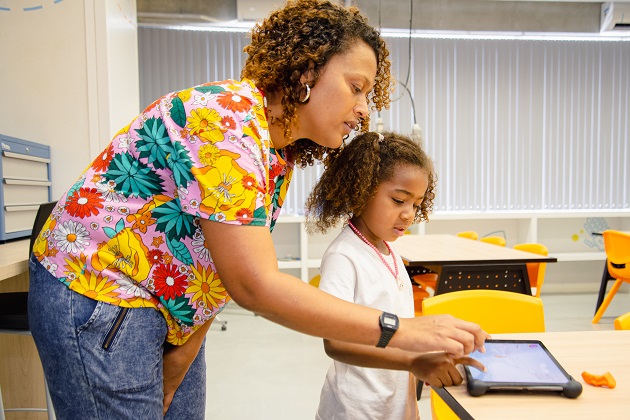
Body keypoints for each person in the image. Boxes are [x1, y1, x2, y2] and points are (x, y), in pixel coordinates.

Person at [27, 0, 488, 418]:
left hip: (170, 310)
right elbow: (255, 284)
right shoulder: (225, 121)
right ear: (307, 73)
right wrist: (402, 331)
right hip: (101, 293)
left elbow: (219, 272)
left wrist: (183, 357)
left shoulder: (275, 153)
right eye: (356, 88)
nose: (364, 109)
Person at [306, 131, 485, 420]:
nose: (409, 214)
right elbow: (336, 342)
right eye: (399, 200)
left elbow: (401, 332)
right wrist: (414, 360)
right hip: (356, 410)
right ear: (361, 191)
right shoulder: (344, 256)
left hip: (392, 407)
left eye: (416, 204)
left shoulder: (388, 251)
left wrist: (411, 403)